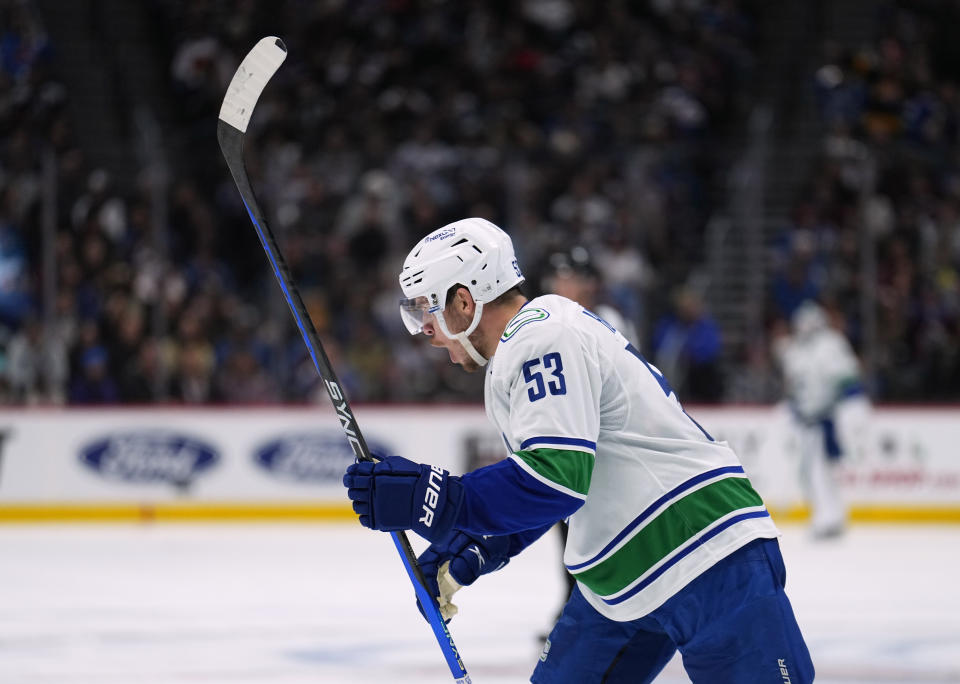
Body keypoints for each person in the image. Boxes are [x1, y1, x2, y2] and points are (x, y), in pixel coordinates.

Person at [344, 218, 814, 683]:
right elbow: (547, 484)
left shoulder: (541, 336)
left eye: (428, 310)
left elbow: (557, 479)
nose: (425, 330)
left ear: (464, 301)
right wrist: (466, 548)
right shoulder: (522, 349)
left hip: (703, 549)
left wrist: (438, 500)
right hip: (620, 575)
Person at [773, 300, 870, 539]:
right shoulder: (794, 350)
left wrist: (848, 413)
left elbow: (848, 380)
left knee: (825, 472)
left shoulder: (830, 345)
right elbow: (794, 387)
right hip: (807, 421)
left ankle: (831, 517)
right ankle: (825, 516)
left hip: (827, 418)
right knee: (810, 473)